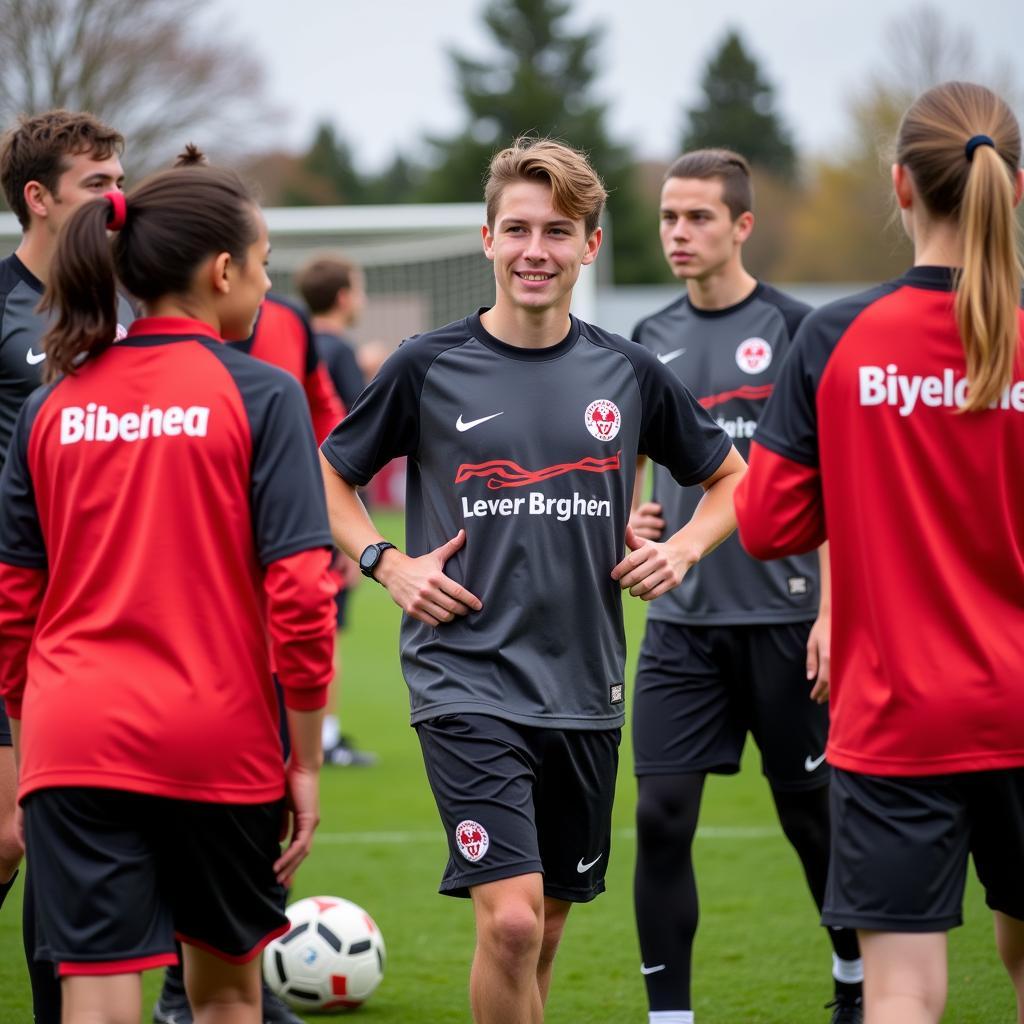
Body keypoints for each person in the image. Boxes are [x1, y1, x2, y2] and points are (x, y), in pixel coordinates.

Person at [319, 136, 745, 1024]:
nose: (535, 251)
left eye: (558, 232)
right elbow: (328, 477)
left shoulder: (628, 372)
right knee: (510, 924)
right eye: (516, 229)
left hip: (586, 688)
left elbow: (733, 479)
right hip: (464, 679)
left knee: (543, 932)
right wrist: (384, 561)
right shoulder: (425, 365)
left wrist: (685, 550)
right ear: (486, 240)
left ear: (591, 246)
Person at [0, 159, 336, 1024]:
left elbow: (11, 604)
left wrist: (33, 735)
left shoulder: (51, 404)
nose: (265, 284)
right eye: (262, 262)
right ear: (223, 270)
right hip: (218, 740)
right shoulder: (261, 393)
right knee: (225, 997)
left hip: (71, 738)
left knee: (97, 998)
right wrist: (302, 757)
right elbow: (300, 595)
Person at [734, 81, 1024, 1024]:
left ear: (900, 186)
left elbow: (768, 526)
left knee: (901, 994)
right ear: (1012, 190)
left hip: (901, 718)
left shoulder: (836, 338)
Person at [629, 149, 862, 1024]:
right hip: (683, 625)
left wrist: (835, 612)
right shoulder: (650, 338)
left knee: (811, 820)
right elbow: (637, 467)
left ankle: (851, 977)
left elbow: (839, 486)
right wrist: (633, 518)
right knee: (660, 816)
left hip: (787, 618)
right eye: (668, 217)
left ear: (742, 225)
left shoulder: (804, 330)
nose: (679, 233)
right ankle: (671, 1017)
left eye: (697, 217)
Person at [0, 107, 133, 1024]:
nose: (116, 201)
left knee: (56, 848)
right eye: (97, 184)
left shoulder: (126, 310)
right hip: (9, 606)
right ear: (39, 199)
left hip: (94, 616)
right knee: (6, 840)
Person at [295, 255, 376, 767]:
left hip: (285, 503)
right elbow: (352, 437)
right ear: (345, 298)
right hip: (324, 504)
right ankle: (324, 736)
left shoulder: (295, 345)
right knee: (326, 625)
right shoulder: (340, 351)